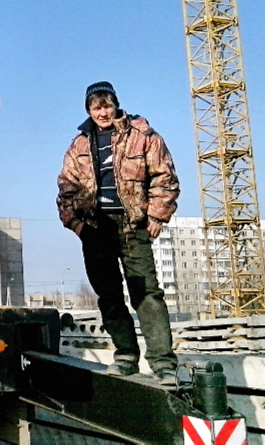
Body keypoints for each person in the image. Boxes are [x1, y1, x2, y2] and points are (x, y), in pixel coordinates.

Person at [56, 81, 179, 386]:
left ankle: (163, 363)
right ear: (89, 110)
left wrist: (157, 216)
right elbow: (65, 188)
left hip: (133, 226)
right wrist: (76, 223)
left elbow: (164, 176)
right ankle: (125, 356)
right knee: (109, 296)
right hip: (95, 229)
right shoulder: (79, 145)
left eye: (107, 106)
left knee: (147, 294)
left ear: (116, 105)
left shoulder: (143, 135)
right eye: (97, 107)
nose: (103, 113)